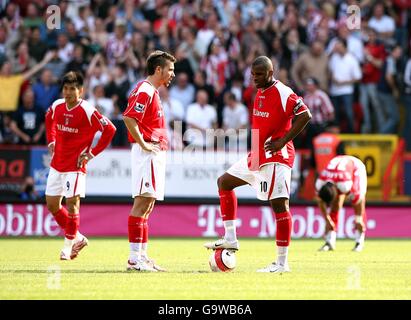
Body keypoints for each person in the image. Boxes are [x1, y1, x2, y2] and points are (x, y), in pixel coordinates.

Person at [204, 56, 312, 273]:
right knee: (224, 182)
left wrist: (283, 140)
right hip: (257, 154)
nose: (255, 79)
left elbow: (305, 115)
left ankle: (282, 264)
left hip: (276, 156)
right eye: (253, 75)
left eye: (259, 75)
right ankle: (231, 238)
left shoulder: (284, 92)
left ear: (271, 73)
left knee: (280, 207)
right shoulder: (259, 91)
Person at [45, 71, 116, 260]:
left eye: (72, 89)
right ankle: (78, 237)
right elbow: (48, 119)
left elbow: (110, 129)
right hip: (57, 164)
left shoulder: (88, 110)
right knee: (52, 205)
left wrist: (91, 153)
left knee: (72, 204)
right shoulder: (57, 105)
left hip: (75, 167)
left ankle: (68, 247)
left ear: (81, 91)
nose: (68, 92)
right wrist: (51, 140)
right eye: (66, 89)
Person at [122, 50, 176, 272]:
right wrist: (144, 144)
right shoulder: (145, 90)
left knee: (148, 204)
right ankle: (134, 259)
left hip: (154, 153)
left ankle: (142, 257)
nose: (172, 74)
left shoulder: (152, 91)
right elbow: (128, 117)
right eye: (170, 70)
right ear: (158, 70)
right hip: (147, 153)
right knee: (142, 203)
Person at [315, 155, 367, 252]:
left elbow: (359, 200)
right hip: (338, 170)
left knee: (355, 201)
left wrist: (359, 219)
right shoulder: (320, 183)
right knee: (335, 206)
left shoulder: (345, 185)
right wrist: (327, 219)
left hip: (356, 167)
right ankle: (330, 241)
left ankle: (359, 241)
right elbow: (320, 201)